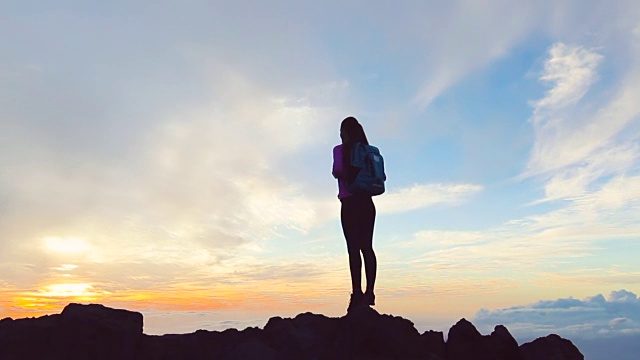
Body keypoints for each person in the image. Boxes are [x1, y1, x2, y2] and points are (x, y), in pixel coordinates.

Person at [332, 116, 378, 313]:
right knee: (367, 247)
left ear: (344, 132)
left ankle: (356, 293)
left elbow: (337, 171)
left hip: (350, 203)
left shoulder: (340, 150)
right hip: (368, 203)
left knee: (353, 249)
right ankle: (370, 292)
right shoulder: (368, 150)